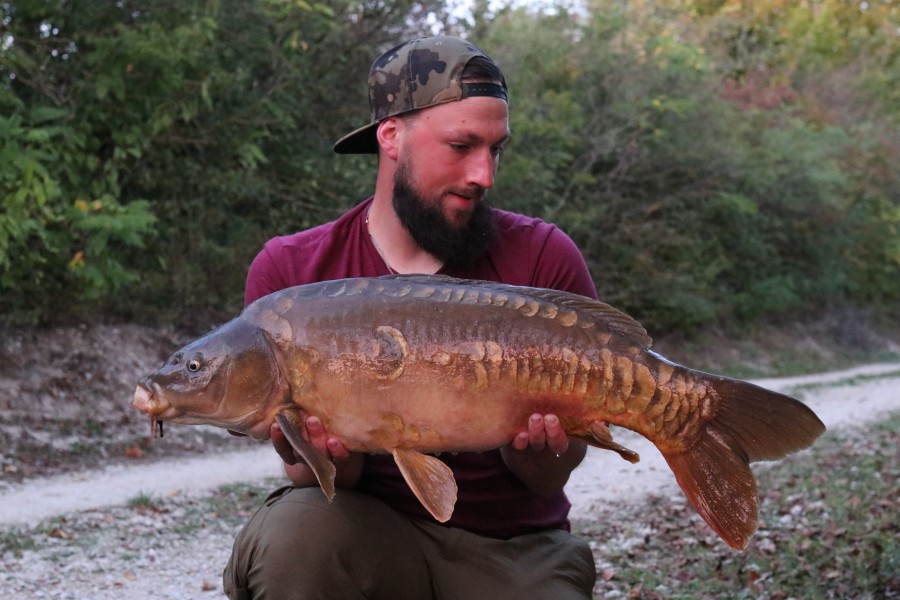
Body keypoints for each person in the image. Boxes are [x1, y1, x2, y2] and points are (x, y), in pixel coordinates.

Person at [223, 35, 598, 600]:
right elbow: (321, 483)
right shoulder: (293, 275)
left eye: (496, 149)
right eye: (461, 145)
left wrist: (542, 451)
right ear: (391, 136)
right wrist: (320, 456)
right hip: (367, 538)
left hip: (512, 546)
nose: (484, 175)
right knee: (296, 531)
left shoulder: (542, 257)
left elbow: (554, 473)